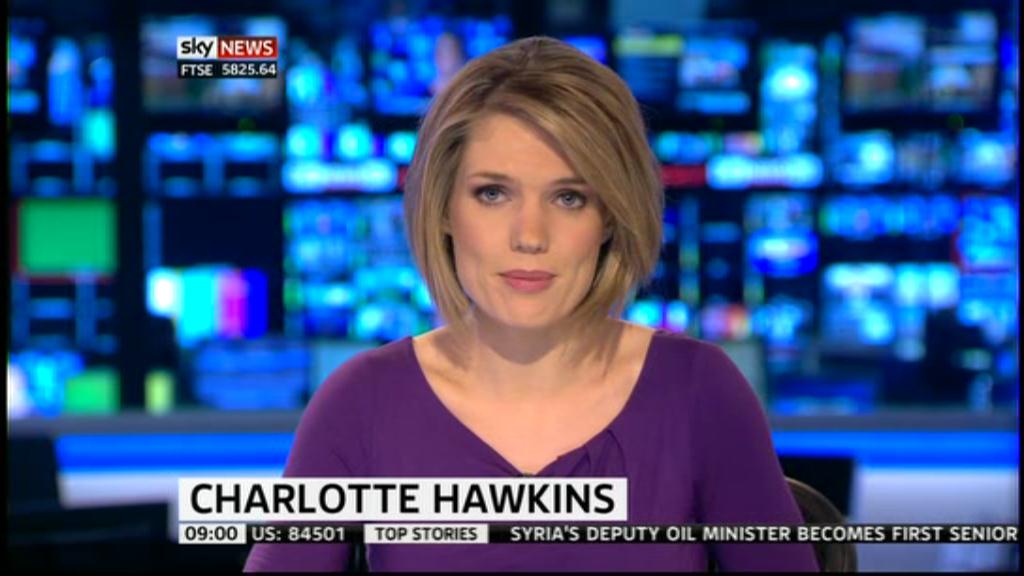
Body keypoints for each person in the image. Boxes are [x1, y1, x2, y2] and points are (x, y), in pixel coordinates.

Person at [245, 36, 818, 572]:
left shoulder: (698, 391)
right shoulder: (362, 402)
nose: (529, 236)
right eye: (493, 193)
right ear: (443, 209)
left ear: (611, 217)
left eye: (569, 197)